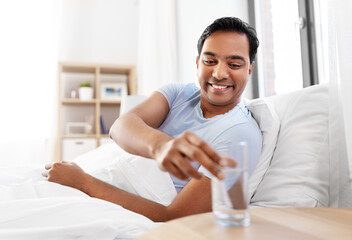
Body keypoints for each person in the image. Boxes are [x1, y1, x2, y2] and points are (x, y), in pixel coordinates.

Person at [43, 16, 262, 222]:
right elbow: (120, 127)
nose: (219, 73)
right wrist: (161, 146)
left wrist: (83, 183)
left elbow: (175, 217)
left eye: (234, 65)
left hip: (115, 201)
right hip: (100, 176)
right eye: (210, 61)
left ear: (250, 69)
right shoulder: (178, 94)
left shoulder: (239, 135)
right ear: (197, 63)